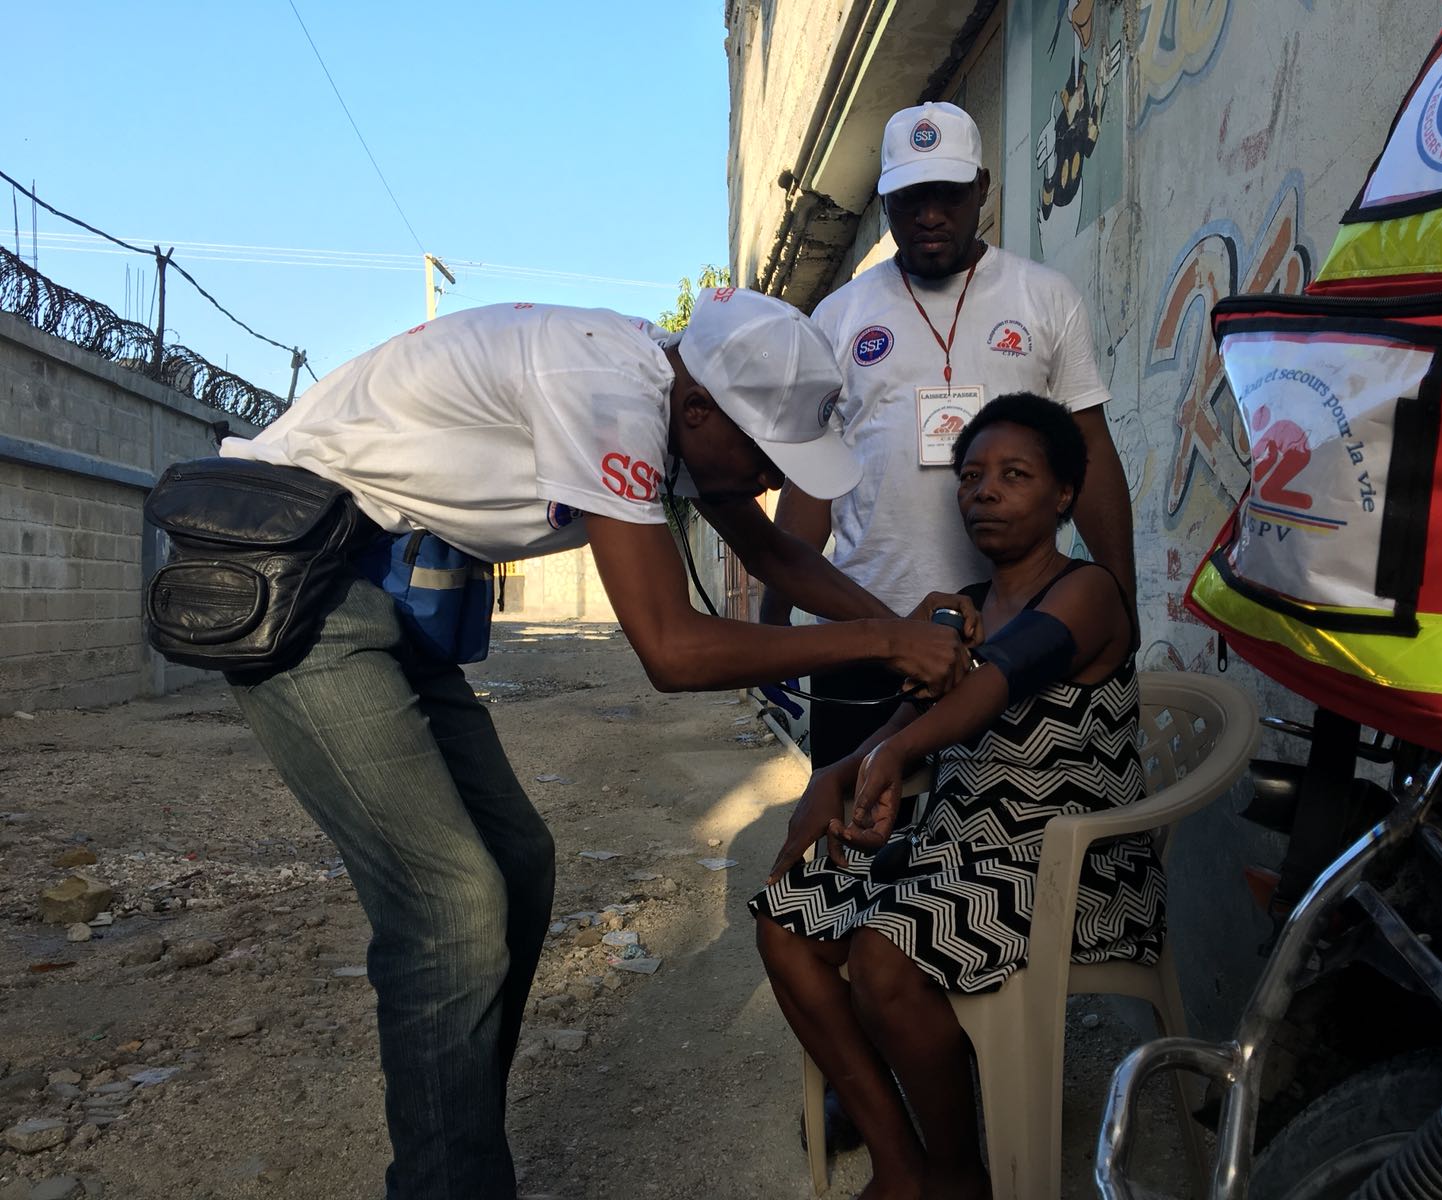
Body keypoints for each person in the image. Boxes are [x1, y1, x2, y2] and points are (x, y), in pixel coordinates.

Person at [198, 287, 971, 1200]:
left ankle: (456, 1151)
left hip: (379, 583)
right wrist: (887, 641)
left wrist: (912, 636)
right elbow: (671, 650)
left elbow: (771, 555)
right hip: (290, 572)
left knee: (517, 865)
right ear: (697, 412)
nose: (769, 481)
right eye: (765, 457)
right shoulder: (608, 389)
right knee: (449, 904)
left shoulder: (677, 391)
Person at [752, 393, 1161, 1200]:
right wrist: (836, 778)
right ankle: (900, 1161)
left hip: (1072, 875)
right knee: (785, 920)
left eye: (1015, 474)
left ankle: (955, 1175)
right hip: (961, 855)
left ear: (1063, 495)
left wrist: (898, 751)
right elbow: (906, 717)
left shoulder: (1089, 592)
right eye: (971, 475)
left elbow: (998, 681)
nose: (984, 491)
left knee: (883, 949)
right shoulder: (965, 607)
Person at [758, 99, 1135, 773]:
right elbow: (814, 475)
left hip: (1015, 630)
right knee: (853, 827)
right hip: (865, 631)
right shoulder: (839, 316)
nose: (929, 216)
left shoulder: (1045, 299)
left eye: (949, 195)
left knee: (994, 831)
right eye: (908, 199)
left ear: (982, 189)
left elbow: (1092, 450)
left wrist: (1123, 601)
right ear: (884, 204)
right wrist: (775, 615)